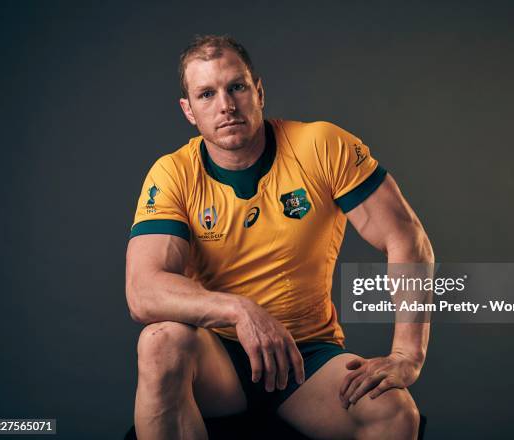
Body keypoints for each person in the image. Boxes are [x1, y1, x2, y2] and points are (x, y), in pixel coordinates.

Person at [125, 34, 434, 440]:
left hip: (305, 358)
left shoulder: (320, 145)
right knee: (159, 342)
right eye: (206, 94)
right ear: (188, 111)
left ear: (259, 90)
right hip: (217, 359)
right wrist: (240, 311)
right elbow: (143, 291)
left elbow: (406, 237)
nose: (226, 105)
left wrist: (406, 355)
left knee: (395, 414)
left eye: (236, 86)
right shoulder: (173, 174)